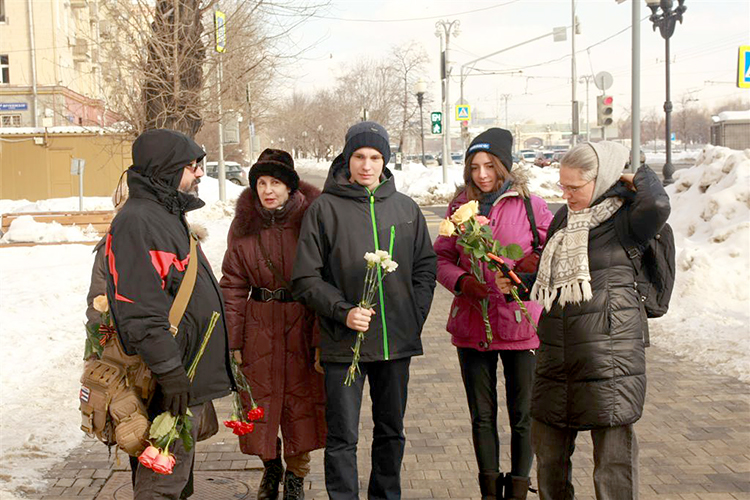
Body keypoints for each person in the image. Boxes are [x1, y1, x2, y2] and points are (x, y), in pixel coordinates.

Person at [496, 141, 670, 500]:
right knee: (549, 460)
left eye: (575, 187)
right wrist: (522, 284)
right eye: (563, 186)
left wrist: (635, 174)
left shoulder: (627, 218)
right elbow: (558, 276)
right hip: (558, 355)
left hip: (609, 357)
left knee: (613, 466)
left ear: (601, 179)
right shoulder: (566, 217)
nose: (567, 194)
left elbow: (658, 203)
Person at [291, 121, 437, 500]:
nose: (366, 165)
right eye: (359, 156)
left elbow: (425, 268)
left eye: (375, 157)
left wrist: (412, 316)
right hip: (345, 343)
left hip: (395, 345)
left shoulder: (405, 208)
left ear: (385, 161)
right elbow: (305, 277)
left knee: (392, 431)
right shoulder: (324, 209)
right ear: (347, 158)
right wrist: (342, 312)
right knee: (342, 436)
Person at [105, 129, 233, 500]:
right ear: (167, 168)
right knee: (160, 484)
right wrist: (171, 373)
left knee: (175, 480)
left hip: (180, 371)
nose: (199, 174)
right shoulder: (138, 222)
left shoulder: (163, 214)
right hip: (166, 377)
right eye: (193, 166)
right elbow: (141, 309)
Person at [433, 128, 553, 500]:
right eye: (474, 167)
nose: (482, 174)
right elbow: (440, 258)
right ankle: (488, 491)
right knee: (482, 416)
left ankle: (517, 489)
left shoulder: (531, 205)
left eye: (490, 165)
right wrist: (465, 283)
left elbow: (552, 246)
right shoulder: (458, 208)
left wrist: (528, 269)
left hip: (520, 324)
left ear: (505, 165)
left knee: (523, 416)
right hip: (474, 323)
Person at [220, 149, 326, 500]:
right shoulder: (244, 224)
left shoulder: (311, 217)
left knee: (300, 404)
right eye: (262, 182)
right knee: (261, 403)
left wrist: (320, 339)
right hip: (259, 325)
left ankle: (296, 476)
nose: (268, 190)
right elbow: (233, 283)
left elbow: (325, 277)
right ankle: (271, 469)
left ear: (290, 187)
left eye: (276, 182)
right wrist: (233, 341)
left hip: (301, 319)